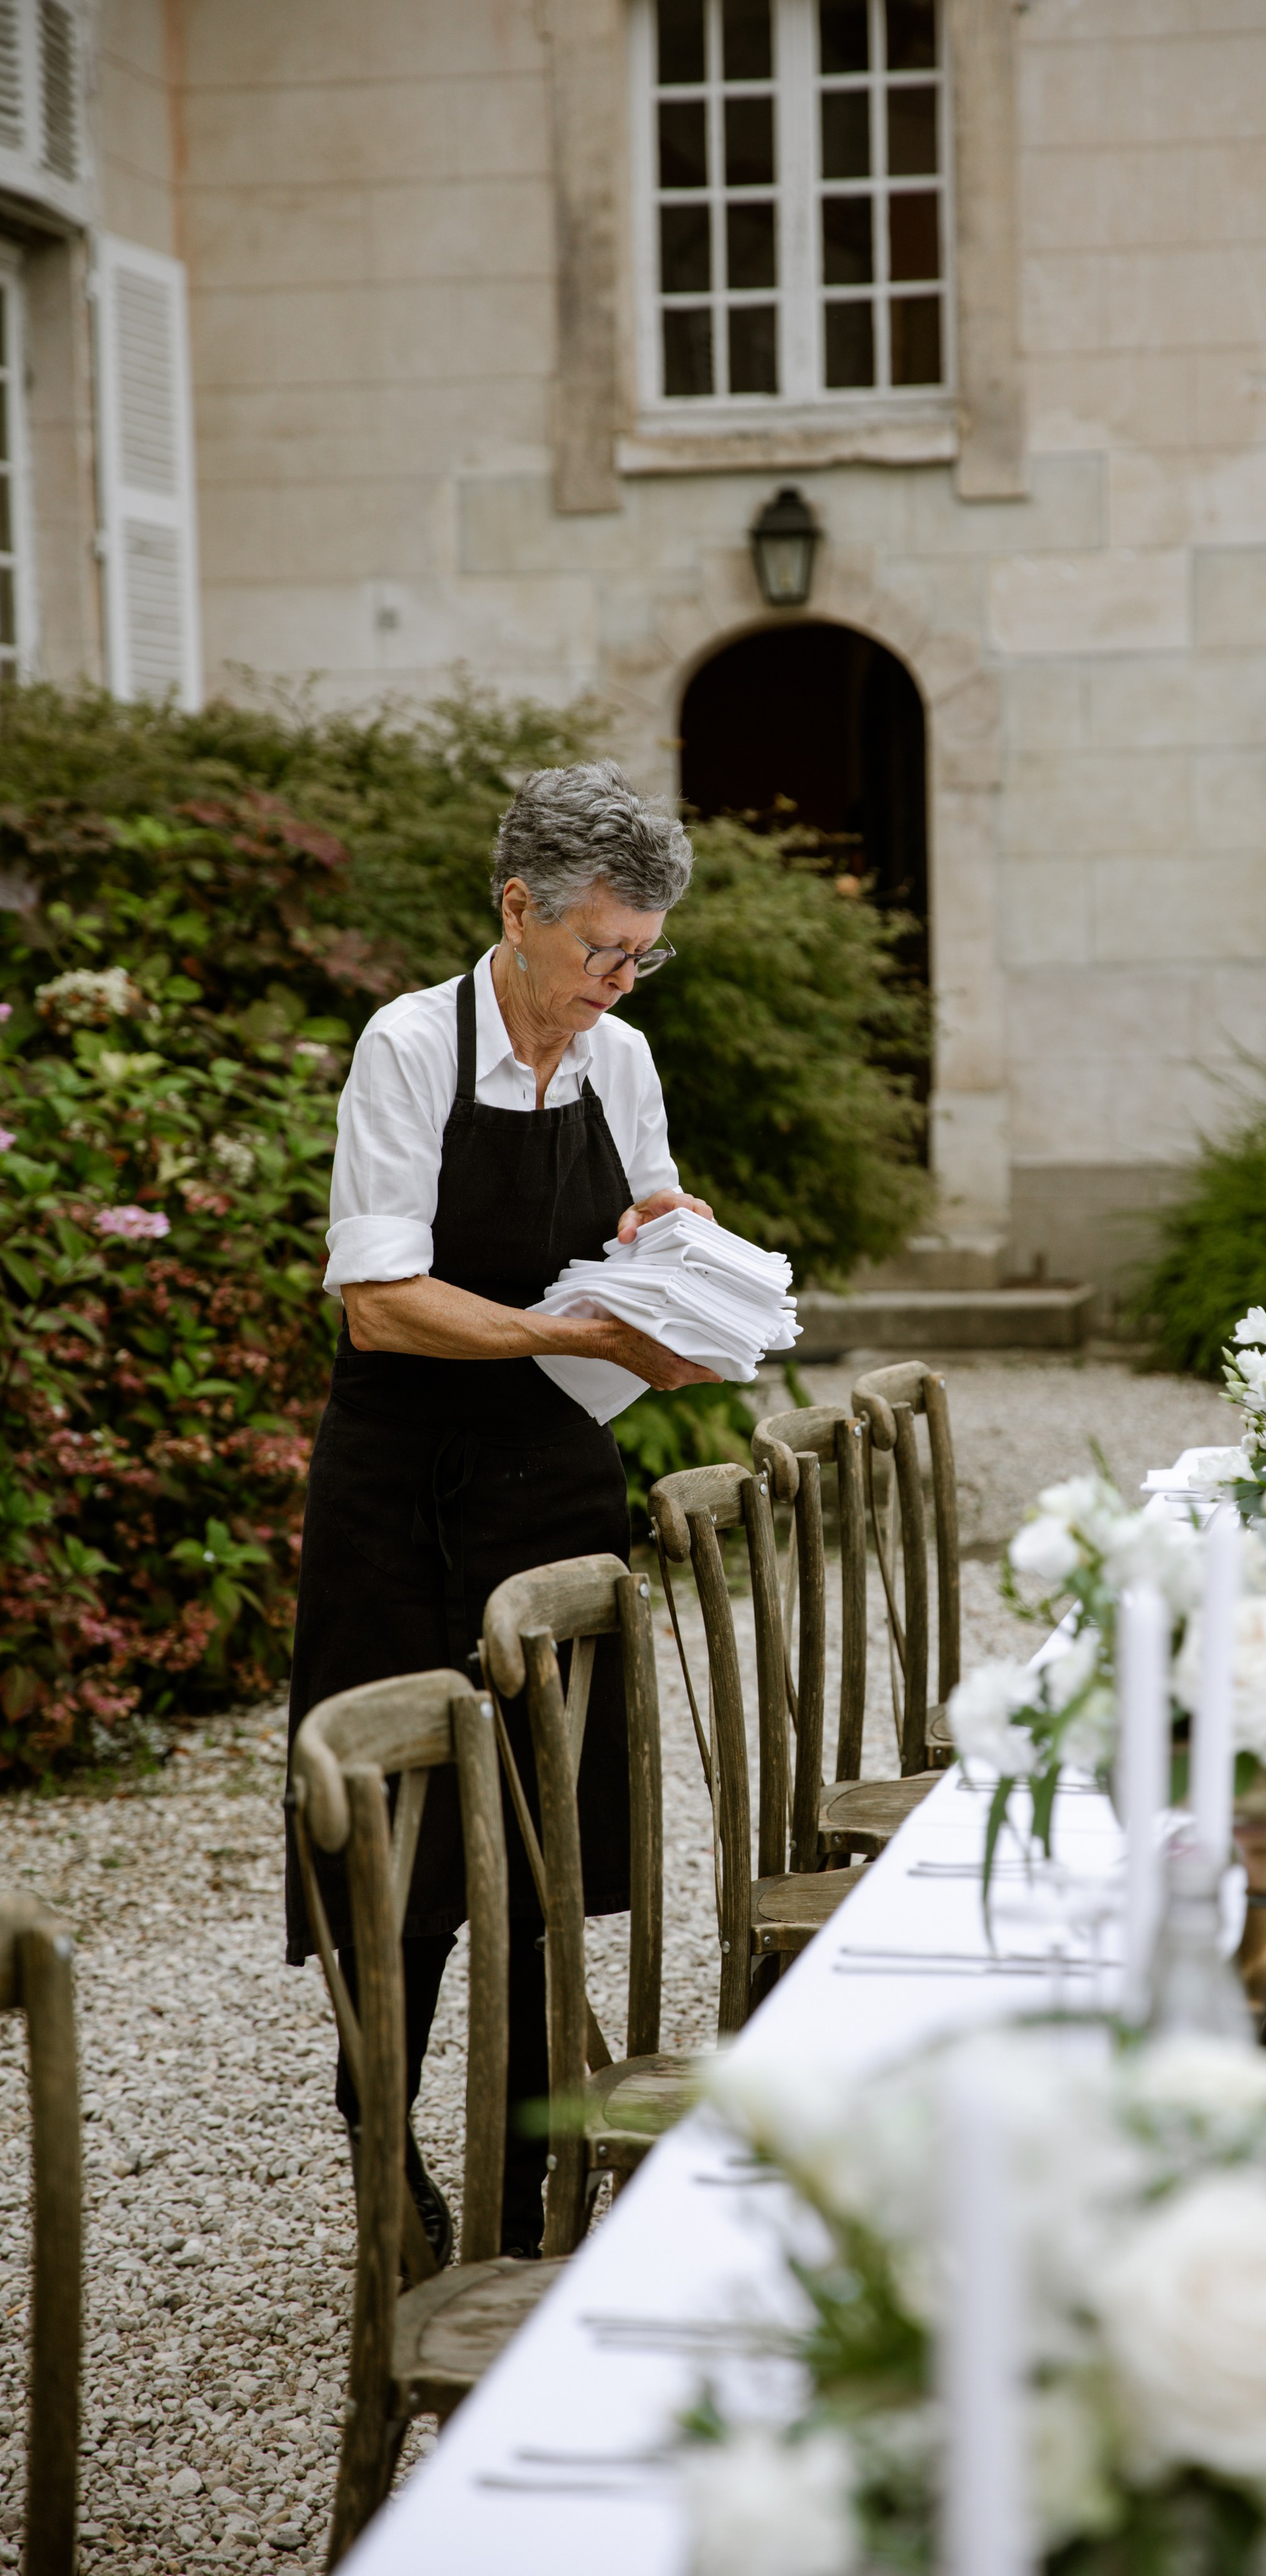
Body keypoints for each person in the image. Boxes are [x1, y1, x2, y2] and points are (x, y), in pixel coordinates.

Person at [285, 761, 717, 2257]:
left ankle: (540, 2172)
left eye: (639, 952)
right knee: (397, 1851)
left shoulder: (622, 1058)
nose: (616, 978)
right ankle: (382, 2135)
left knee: (550, 1844)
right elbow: (381, 1306)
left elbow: (645, 1206)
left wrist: (684, 1254)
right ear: (516, 910)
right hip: (399, 1482)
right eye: (599, 947)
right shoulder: (409, 1047)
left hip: (553, 1476)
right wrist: (577, 1334)